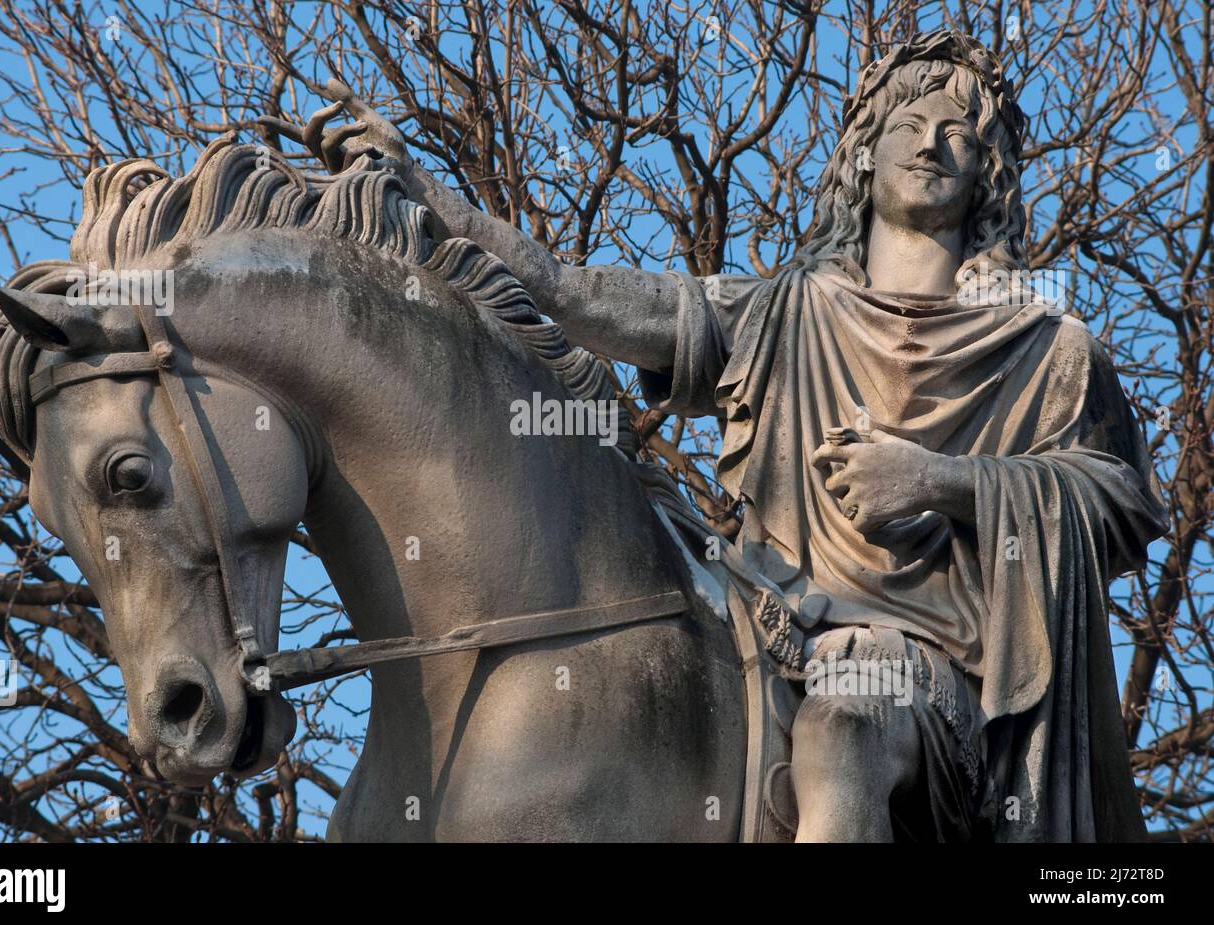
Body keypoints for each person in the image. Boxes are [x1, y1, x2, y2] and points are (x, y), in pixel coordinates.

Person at [310, 30, 1168, 841]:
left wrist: (936, 480)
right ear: (863, 157)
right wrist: (429, 197)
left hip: (916, 671)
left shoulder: (1045, 346)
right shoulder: (779, 313)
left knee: (844, 725)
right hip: (761, 630)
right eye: (906, 123)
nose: (931, 142)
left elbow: (1120, 504)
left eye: (958, 132)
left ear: (989, 175)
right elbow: (568, 292)